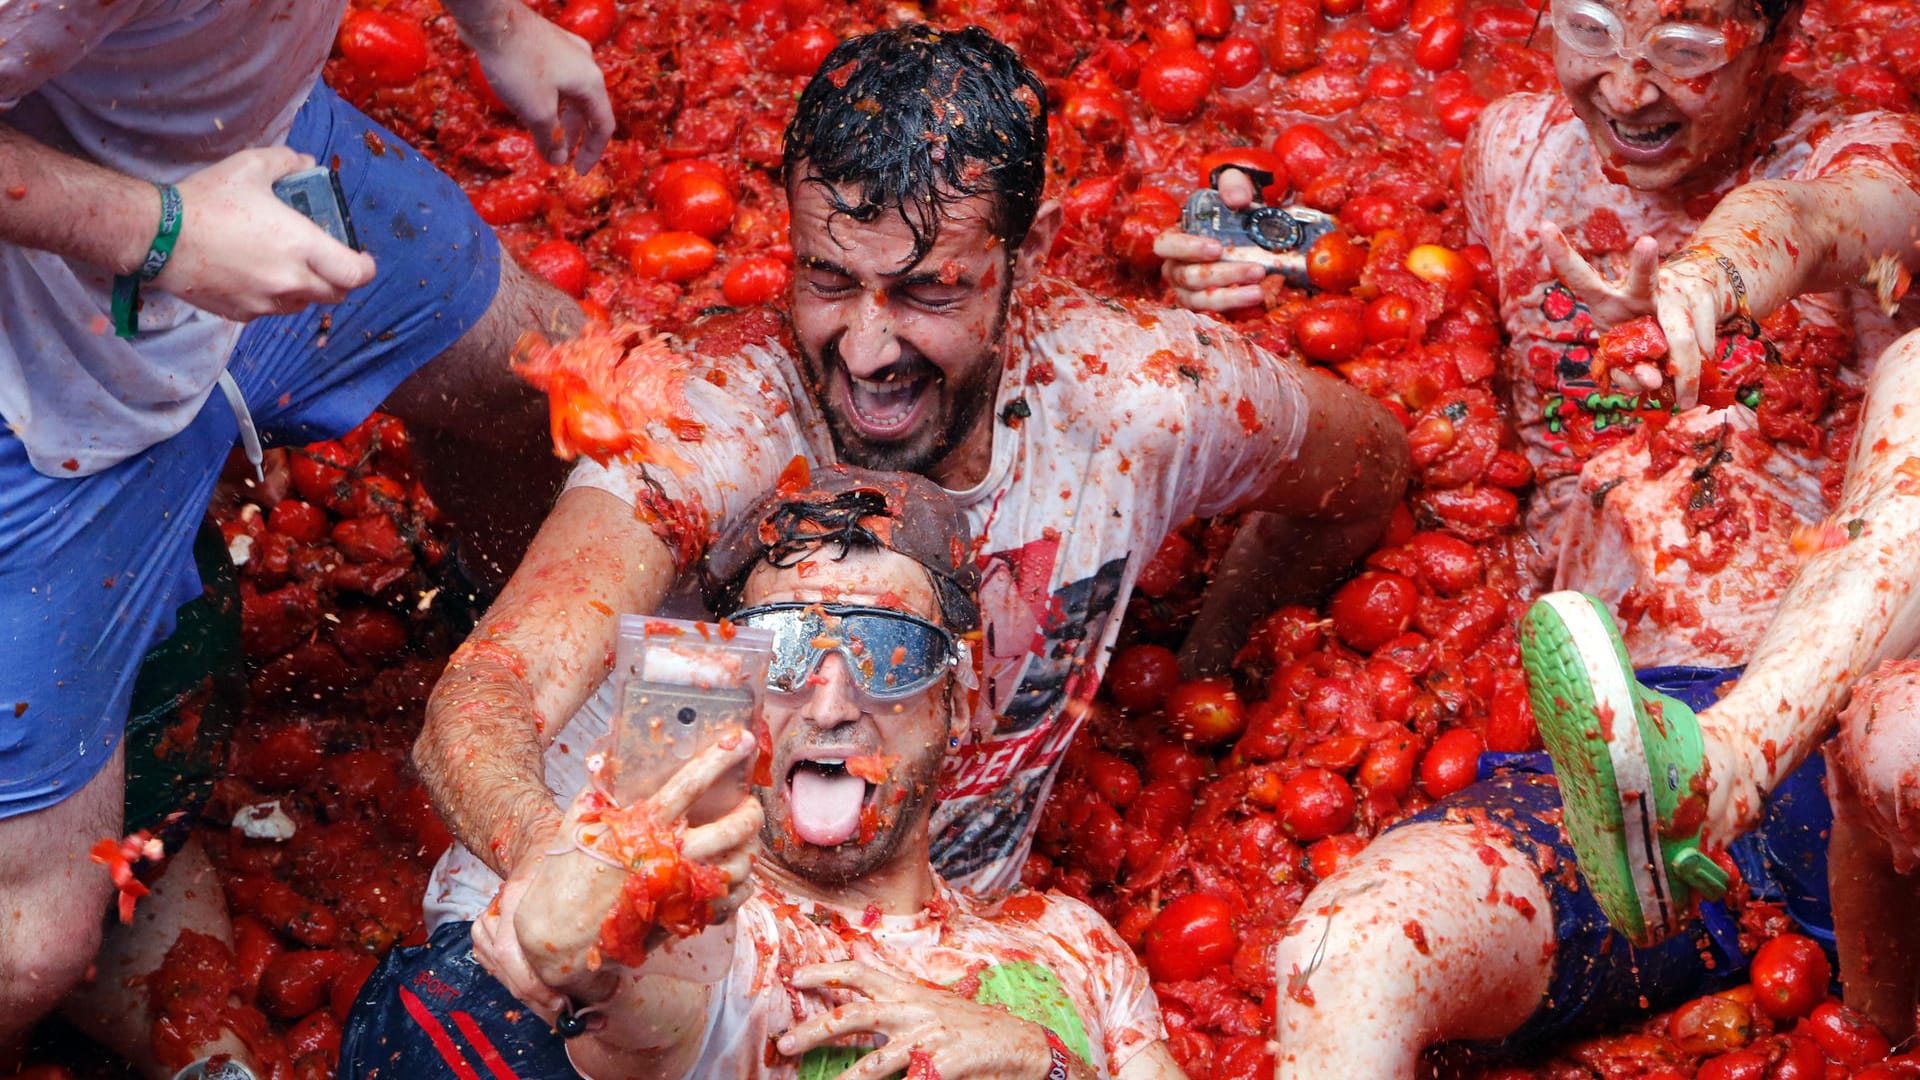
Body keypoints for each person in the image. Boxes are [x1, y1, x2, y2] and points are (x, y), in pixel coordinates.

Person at [410, 20, 1409, 1059]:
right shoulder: (714, 423)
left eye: (929, 290)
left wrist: (1215, 650)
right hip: (617, 960)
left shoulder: (1138, 401)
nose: (871, 347)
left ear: (1033, 251)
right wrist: (569, 870)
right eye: (831, 281)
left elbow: (1367, 470)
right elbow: (484, 696)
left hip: (935, 958)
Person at [1157, 0, 1920, 1066]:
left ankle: (1730, 761)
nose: (1628, 84)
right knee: (1347, 948)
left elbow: (1817, 217)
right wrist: (1226, 246)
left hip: (1830, 743)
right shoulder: (1517, 150)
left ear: (1777, 39)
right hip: (1602, 788)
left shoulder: (1861, 145)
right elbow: (1369, 247)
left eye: (1688, 48)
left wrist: (1714, 274)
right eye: (1593, 28)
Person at [0, 2, 614, 1074]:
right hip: (38, 358)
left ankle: (541, 678)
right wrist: (165, 231)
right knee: (29, 948)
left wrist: (502, 27)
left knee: (553, 385)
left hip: (252, 158)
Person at [346, 469, 1186, 1077]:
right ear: (739, 695)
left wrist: (1041, 1062)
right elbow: (650, 1004)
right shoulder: (715, 929)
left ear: (958, 705)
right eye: (783, 651)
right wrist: (588, 947)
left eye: (890, 653)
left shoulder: (1075, 947)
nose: (827, 705)